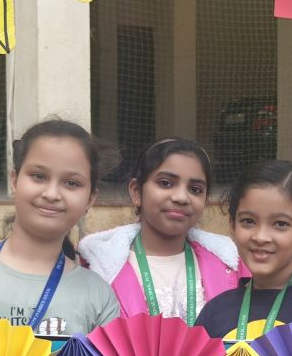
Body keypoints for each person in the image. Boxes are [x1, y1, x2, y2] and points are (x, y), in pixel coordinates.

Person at [0, 120, 120, 335]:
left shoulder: (100, 298)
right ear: (14, 181)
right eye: (38, 176)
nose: (51, 194)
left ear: (90, 199)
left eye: (71, 183)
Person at [78, 137, 242, 324]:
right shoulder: (97, 269)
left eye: (195, 189)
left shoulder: (231, 267)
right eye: (166, 183)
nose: (181, 197)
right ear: (136, 191)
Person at [196, 159, 292, 339]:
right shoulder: (214, 313)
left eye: (280, 224)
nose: (261, 237)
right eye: (248, 221)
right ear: (232, 225)